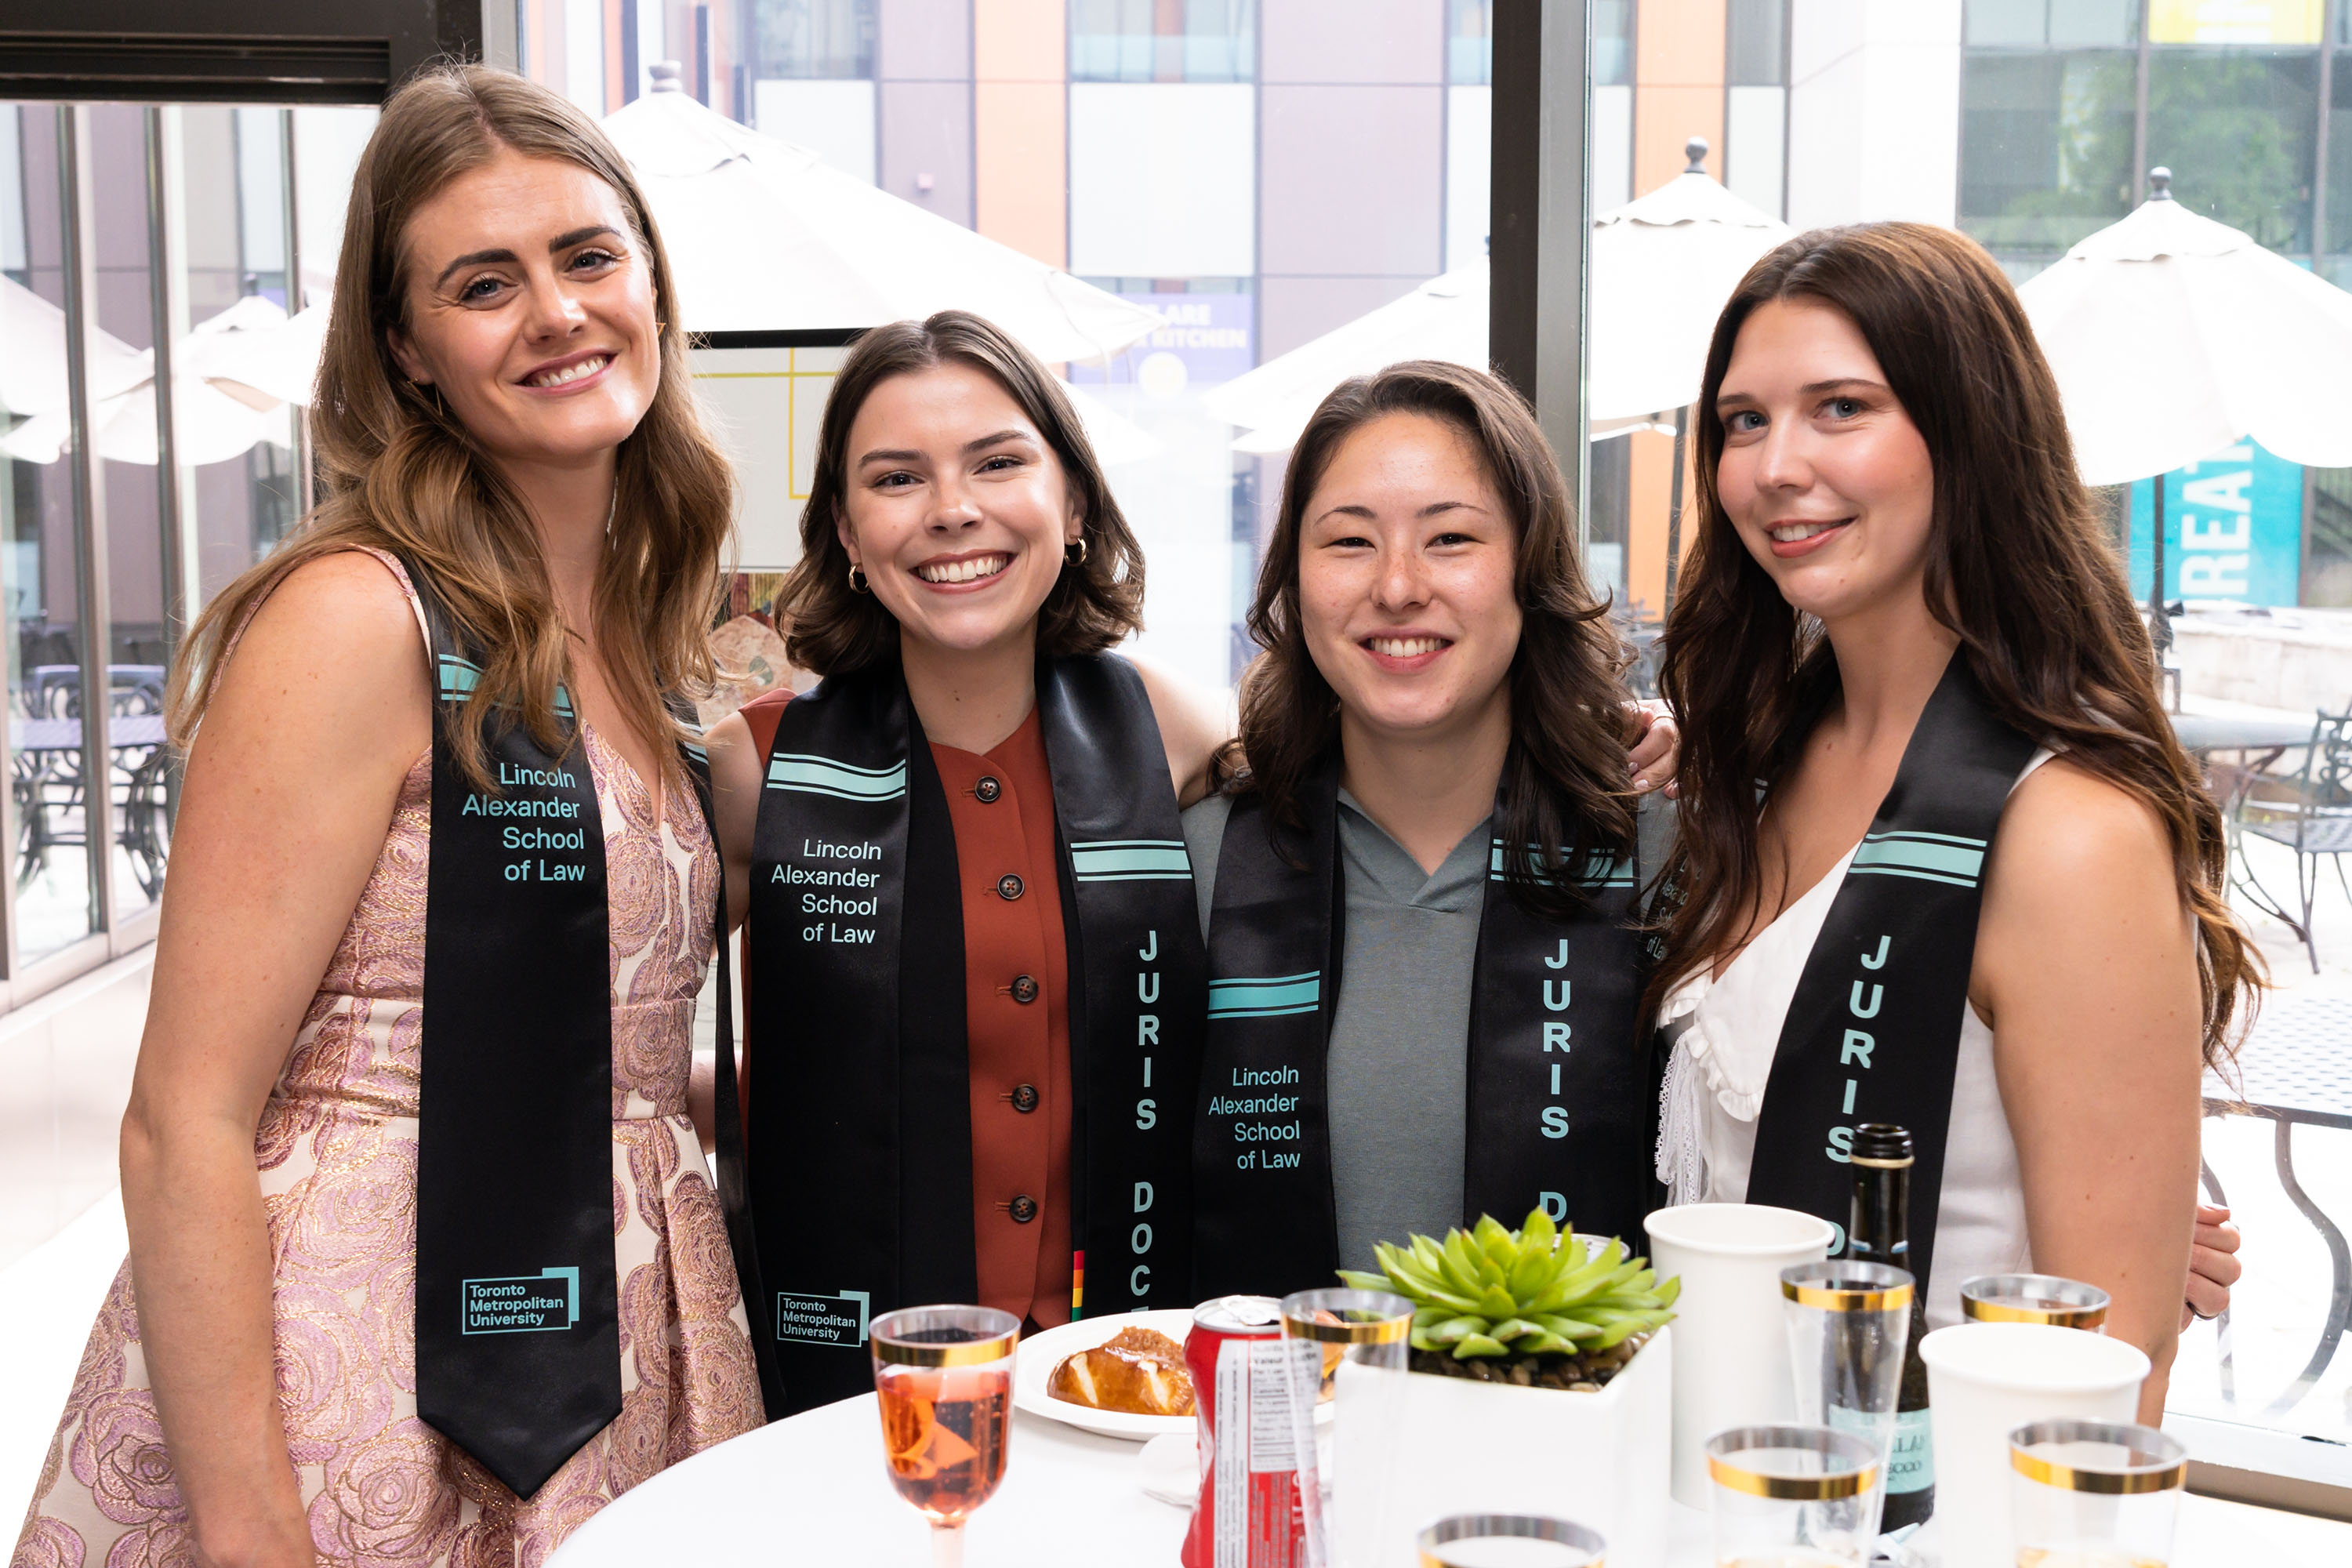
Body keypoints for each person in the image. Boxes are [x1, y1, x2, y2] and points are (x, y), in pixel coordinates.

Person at [15, 66, 761, 1567]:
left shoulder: (657, 646)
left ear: (653, 287)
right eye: (485, 284)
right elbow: (184, 1122)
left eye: (588, 256)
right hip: (355, 1371)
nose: (556, 312)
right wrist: (251, 1538)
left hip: (634, 1326)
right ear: (412, 355)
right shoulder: (356, 618)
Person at [703, 321, 1681, 1411]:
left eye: (997, 462)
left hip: (1117, 1374)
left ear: (1074, 503)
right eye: (896, 477)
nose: (951, 511)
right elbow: (626, 1027)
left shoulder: (1171, 743)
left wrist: (1616, 732)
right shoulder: (759, 769)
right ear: (842, 526)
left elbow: (1386, 728)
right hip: (866, 1379)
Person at [1648, 222, 2259, 1420]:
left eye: (1840, 408)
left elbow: (2110, 1373)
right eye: (1743, 421)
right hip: (1733, 1496)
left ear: (1968, 432)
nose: (1775, 466)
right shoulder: (1759, 767)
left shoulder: (2068, 831)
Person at [1182, 361, 1673, 1298]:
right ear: (1293, 577)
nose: (1398, 587)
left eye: (1450, 537)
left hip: (1580, 1430)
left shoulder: (1666, 853)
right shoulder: (1203, 859)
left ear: (1531, 567)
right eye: (1349, 542)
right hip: (1275, 1428)